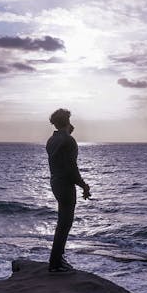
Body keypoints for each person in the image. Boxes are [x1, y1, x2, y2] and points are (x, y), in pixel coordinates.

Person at [46, 108, 90, 273]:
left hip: (55, 183)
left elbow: (62, 159)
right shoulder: (69, 141)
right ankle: (55, 263)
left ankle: (58, 258)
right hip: (65, 185)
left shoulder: (52, 140)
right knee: (65, 224)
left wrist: (66, 131)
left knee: (62, 223)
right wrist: (83, 185)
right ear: (67, 122)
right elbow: (71, 168)